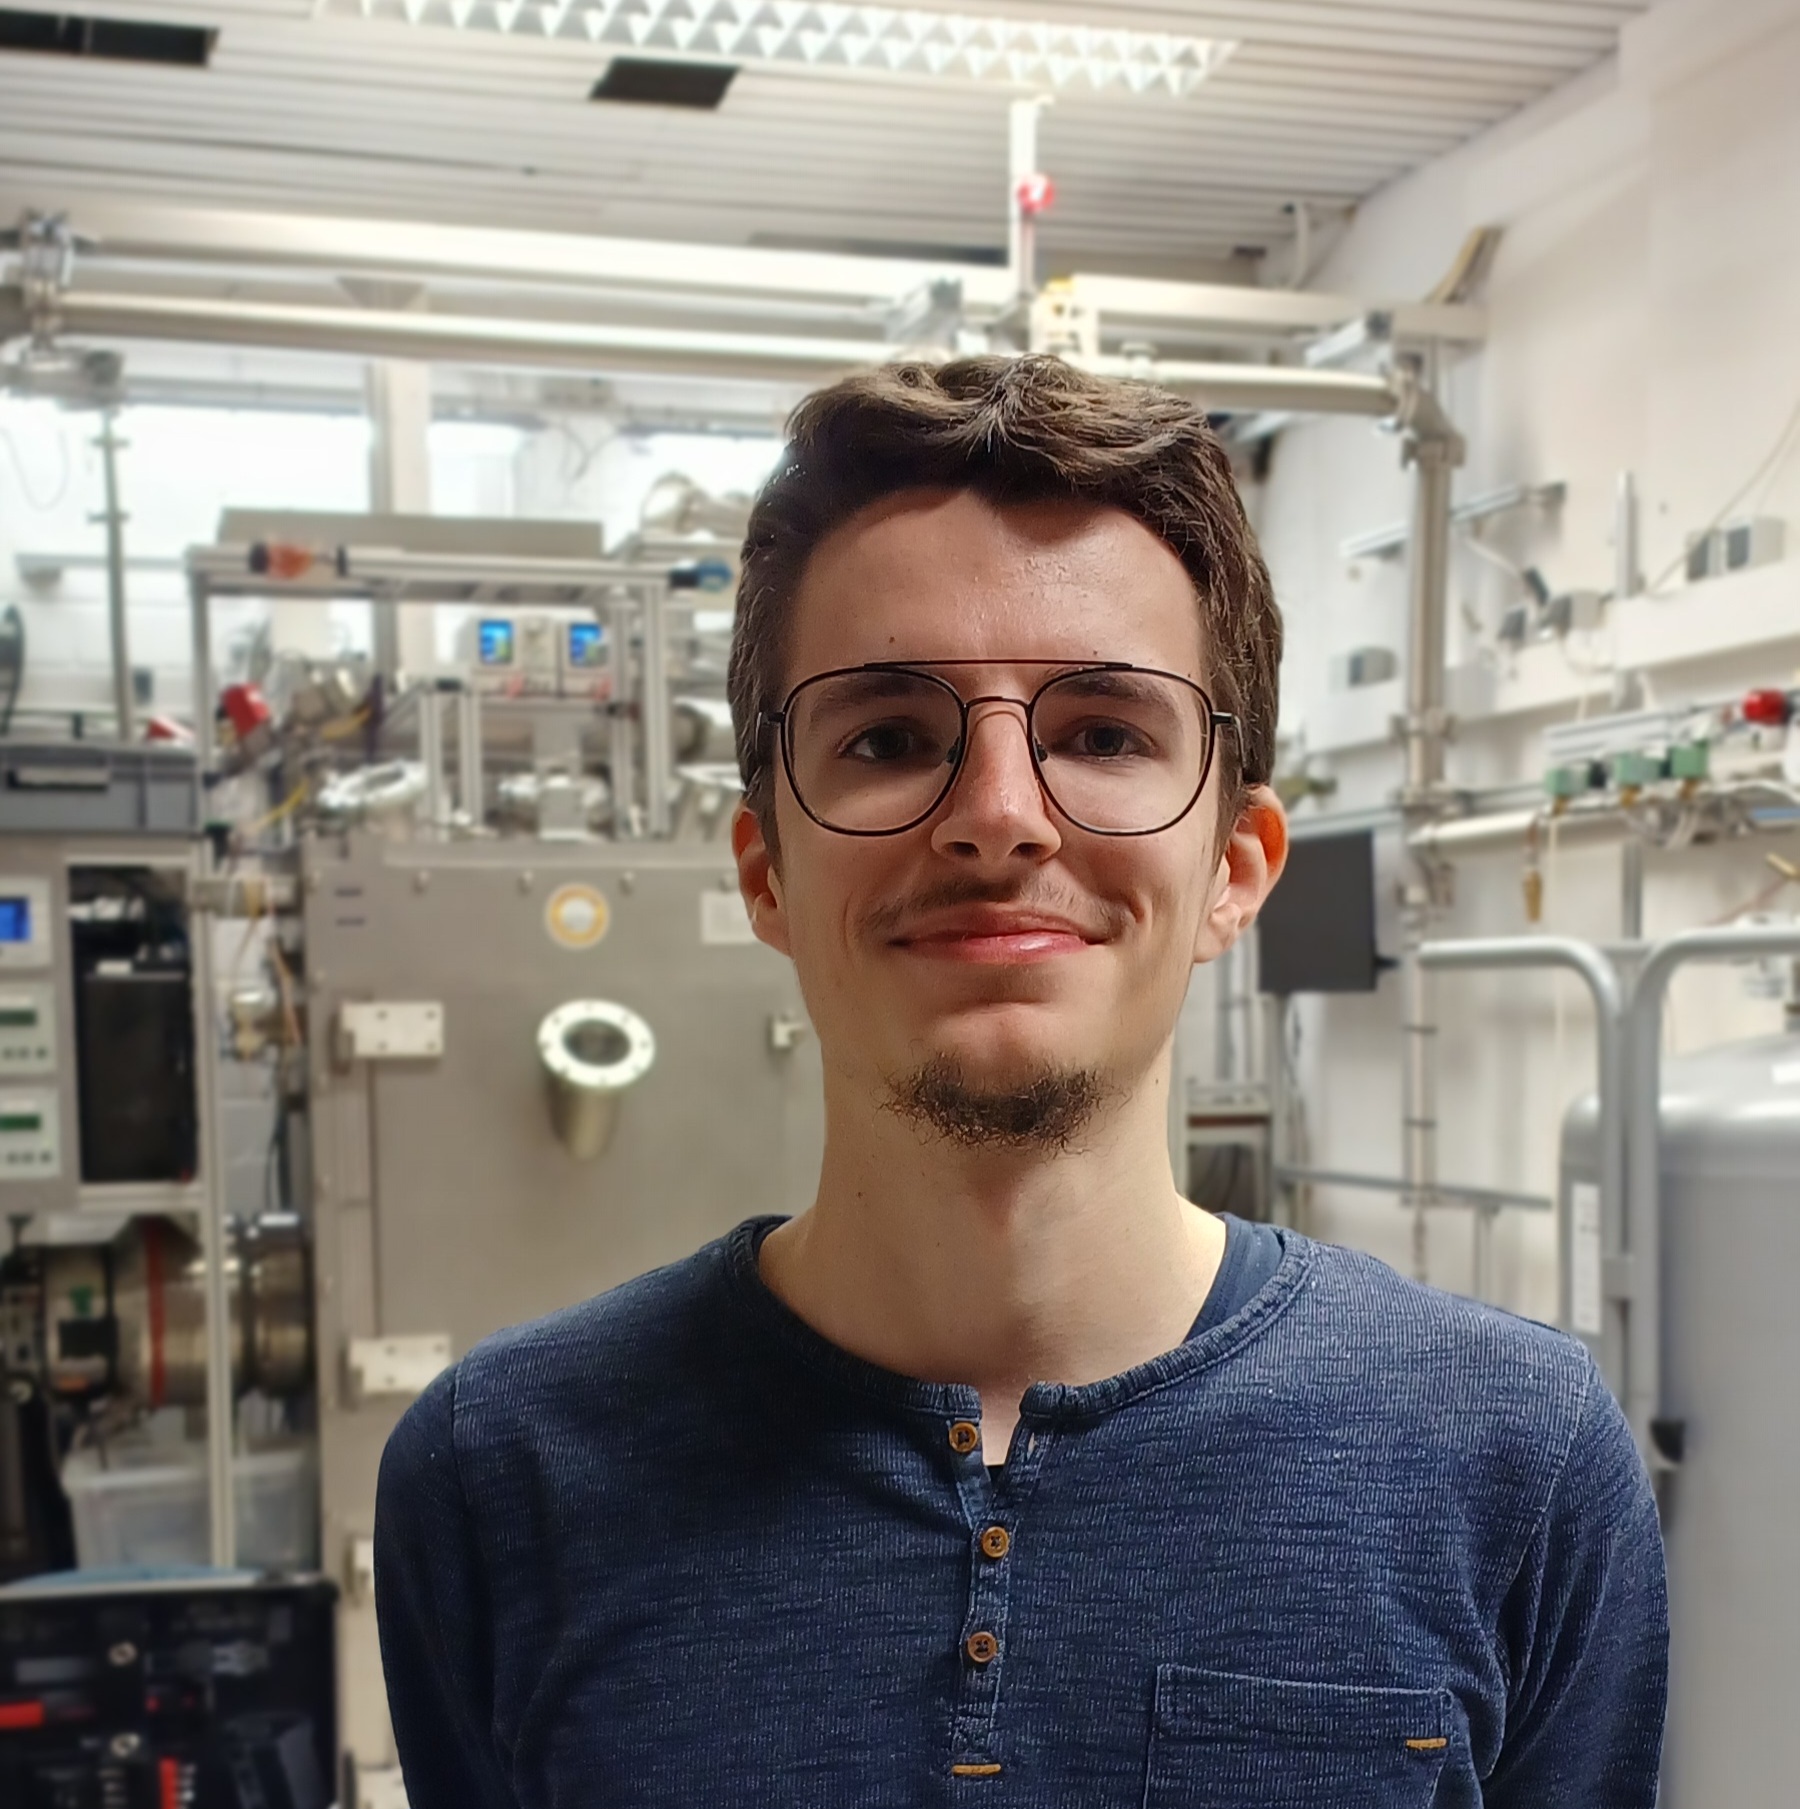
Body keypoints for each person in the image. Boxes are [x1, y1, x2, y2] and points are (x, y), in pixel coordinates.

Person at [375, 355, 1667, 1806]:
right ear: (767, 872)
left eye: (1104, 733)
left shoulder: (1517, 1465)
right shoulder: (502, 1481)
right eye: (888, 738)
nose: (998, 817)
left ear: (1236, 866)